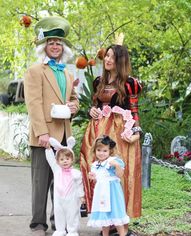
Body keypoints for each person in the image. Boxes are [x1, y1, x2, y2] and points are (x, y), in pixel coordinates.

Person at [24, 16, 79, 236]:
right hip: (43, 136)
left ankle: (60, 223)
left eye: (58, 43)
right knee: (41, 182)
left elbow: (74, 98)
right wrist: (42, 133)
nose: (55, 46)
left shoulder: (67, 72)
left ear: (63, 47)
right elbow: (34, 104)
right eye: (51, 42)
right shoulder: (35, 71)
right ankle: (38, 224)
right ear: (45, 46)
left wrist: (74, 106)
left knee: (63, 181)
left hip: (64, 136)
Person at [79, 43, 142, 234]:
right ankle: (106, 221)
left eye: (112, 57)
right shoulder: (98, 81)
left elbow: (134, 110)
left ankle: (120, 224)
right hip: (97, 133)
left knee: (119, 174)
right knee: (97, 173)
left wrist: (137, 132)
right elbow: (95, 105)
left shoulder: (130, 84)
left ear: (120, 61)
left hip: (120, 133)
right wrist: (92, 111)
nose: (107, 59)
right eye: (106, 55)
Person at [87, 135, 130, 236]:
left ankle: (122, 234)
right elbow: (97, 178)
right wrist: (93, 177)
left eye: (105, 151)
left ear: (110, 151)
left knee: (116, 215)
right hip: (101, 193)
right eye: (99, 150)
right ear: (95, 150)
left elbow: (120, 175)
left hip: (113, 192)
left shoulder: (112, 161)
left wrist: (117, 165)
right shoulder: (95, 165)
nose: (101, 153)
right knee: (104, 217)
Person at [45, 136, 85, 236]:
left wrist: (81, 196)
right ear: (58, 161)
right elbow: (50, 159)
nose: (65, 161)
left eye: (67, 158)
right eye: (62, 159)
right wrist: (48, 150)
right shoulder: (56, 170)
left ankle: (72, 231)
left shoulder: (76, 173)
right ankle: (60, 230)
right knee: (59, 214)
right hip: (59, 199)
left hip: (72, 199)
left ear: (72, 160)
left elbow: (80, 185)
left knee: (72, 215)